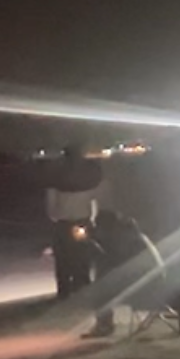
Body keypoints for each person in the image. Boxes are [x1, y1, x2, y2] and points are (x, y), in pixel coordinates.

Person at [88, 205, 164, 336]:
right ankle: (104, 324)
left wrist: (96, 249)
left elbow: (117, 262)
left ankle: (104, 326)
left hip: (146, 287)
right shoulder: (131, 233)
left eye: (97, 224)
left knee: (100, 288)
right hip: (155, 283)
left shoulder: (122, 237)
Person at [45, 143, 101, 298]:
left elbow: (50, 205)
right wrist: (93, 218)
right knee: (83, 256)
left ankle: (64, 290)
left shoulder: (56, 177)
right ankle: (82, 286)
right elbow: (95, 199)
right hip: (83, 221)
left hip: (63, 223)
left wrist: (54, 216)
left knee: (62, 259)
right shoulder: (88, 176)